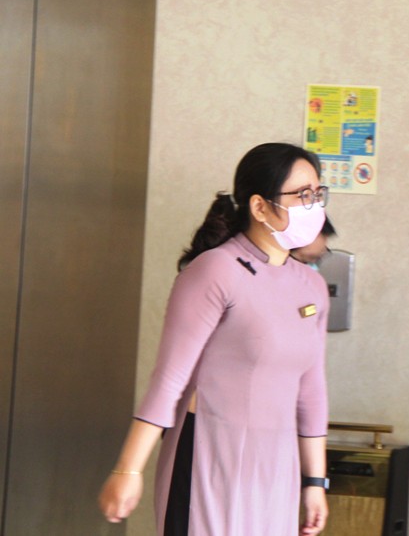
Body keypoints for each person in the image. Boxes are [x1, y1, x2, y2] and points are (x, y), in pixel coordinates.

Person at [98, 143, 332, 536]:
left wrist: (314, 483)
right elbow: (170, 379)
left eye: (318, 193)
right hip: (210, 454)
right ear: (260, 207)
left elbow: (312, 390)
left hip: (277, 464)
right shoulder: (215, 271)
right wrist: (128, 469)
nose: (314, 205)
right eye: (302, 195)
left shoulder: (311, 286)